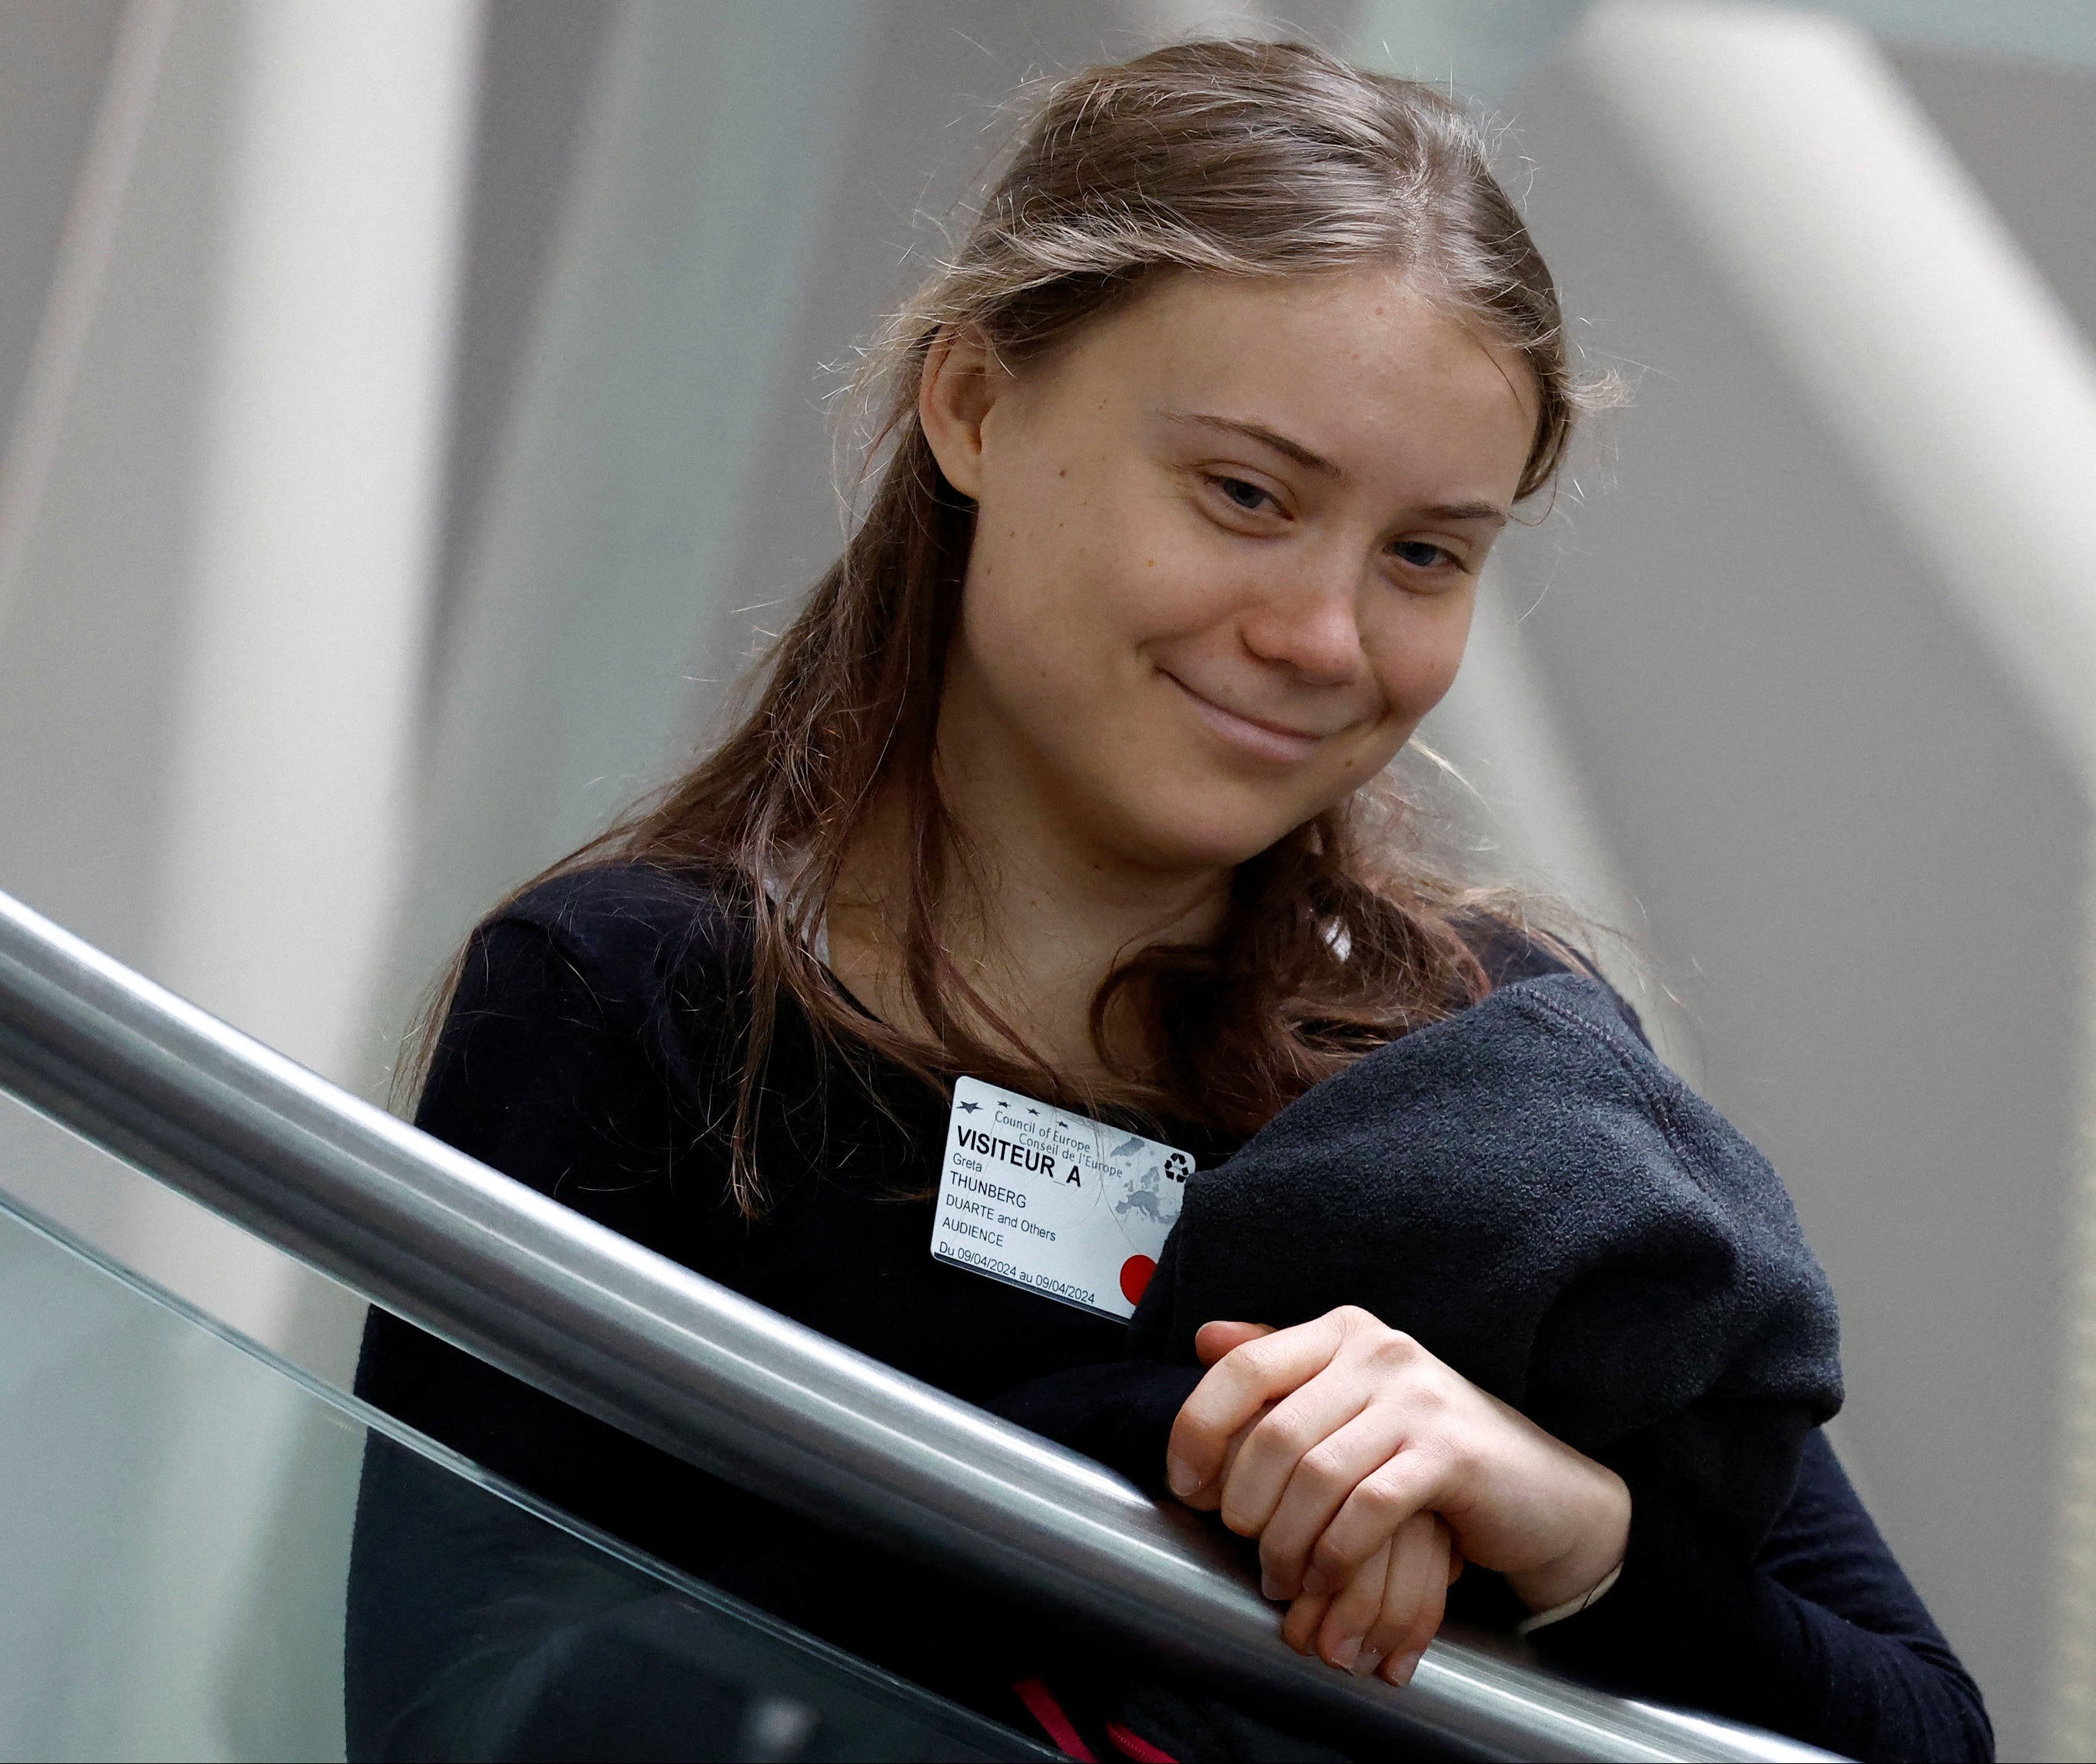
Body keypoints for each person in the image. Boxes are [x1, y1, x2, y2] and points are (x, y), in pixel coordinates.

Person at [349, 37, 1992, 1764]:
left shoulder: (1492, 1049)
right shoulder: (633, 994)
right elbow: (450, 1724)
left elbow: (1919, 1734)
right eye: (1245, 495)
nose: (1324, 636)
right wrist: (1158, 1461)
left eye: (1423, 553)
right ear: (972, 406)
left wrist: (1567, 1527)